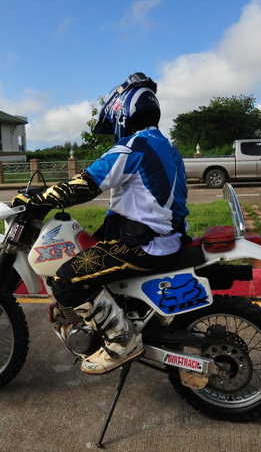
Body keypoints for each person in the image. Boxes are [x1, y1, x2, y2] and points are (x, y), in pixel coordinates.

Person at [14, 72, 189, 374]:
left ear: (122, 111)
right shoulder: (168, 148)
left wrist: (36, 200)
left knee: (65, 279)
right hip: (169, 239)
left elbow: (84, 185)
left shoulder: (134, 147)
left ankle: (122, 341)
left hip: (142, 246)